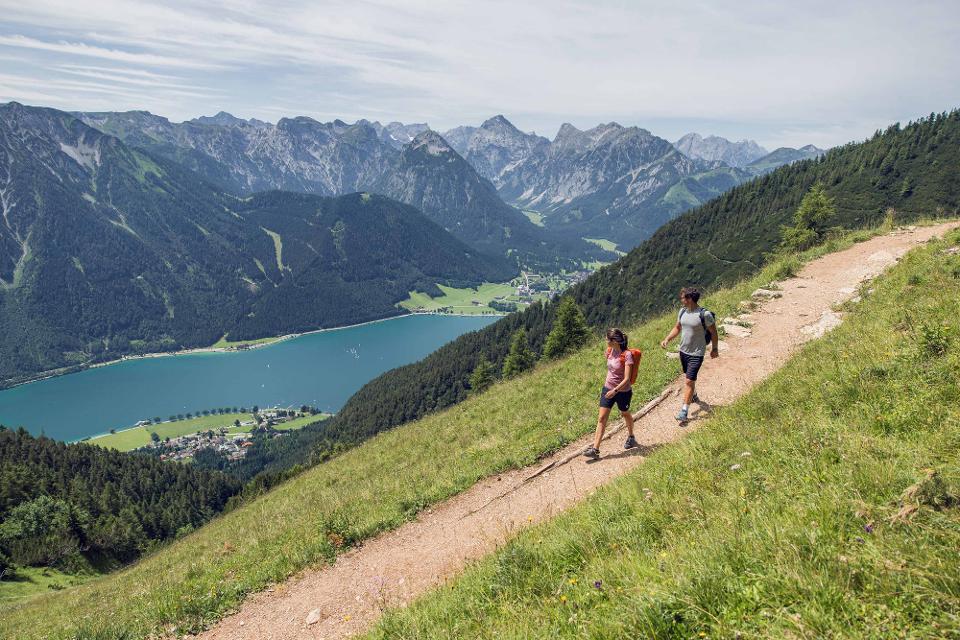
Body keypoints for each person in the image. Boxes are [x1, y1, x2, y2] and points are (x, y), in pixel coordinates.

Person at [659, 287, 718, 422]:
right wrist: (667, 339)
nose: (681, 300)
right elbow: (677, 327)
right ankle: (694, 395)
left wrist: (714, 349)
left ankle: (684, 411)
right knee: (688, 377)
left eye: (683, 298)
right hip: (683, 351)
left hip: (697, 353)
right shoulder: (682, 311)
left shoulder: (705, 315)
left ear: (689, 299)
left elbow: (714, 332)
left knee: (689, 380)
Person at [583, 328, 637, 459]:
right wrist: (610, 390)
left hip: (622, 391)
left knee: (625, 413)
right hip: (607, 389)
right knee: (601, 418)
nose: (605, 340)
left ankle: (631, 437)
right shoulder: (609, 351)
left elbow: (626, 379)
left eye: (607, 339)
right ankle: (595, 449)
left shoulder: (627, 355)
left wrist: (615, 391)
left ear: (614, 341)